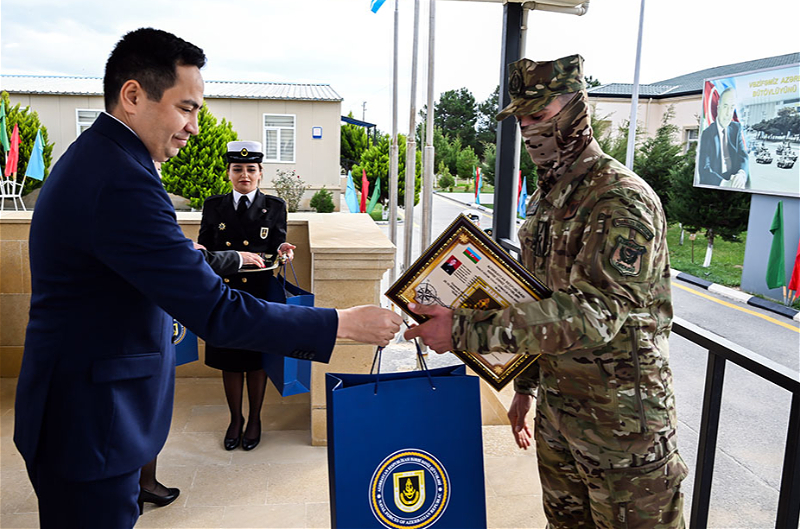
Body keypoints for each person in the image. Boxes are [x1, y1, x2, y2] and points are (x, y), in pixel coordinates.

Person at [14, 27, 401, 529]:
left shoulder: (108, 158)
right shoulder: (119, 178)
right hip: (90, 423)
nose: (195, 126)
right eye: (186, 107)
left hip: (86, 412)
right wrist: (341, 323)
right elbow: (217, 312)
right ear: (133, 95)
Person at [405, 55, 688, 528]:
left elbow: (593, 314)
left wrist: (466, 331)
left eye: (538, 116)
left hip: (622, 428)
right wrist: (527, 386)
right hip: (560, 415)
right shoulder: (547, 198)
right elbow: (537, 299)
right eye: (521, 119)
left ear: (577, 109)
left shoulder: (619, 197)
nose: (529, 130)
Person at [138, 245, 260, 513]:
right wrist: (236, 257)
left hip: (118, 339)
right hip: (134, 341)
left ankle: (142, 483)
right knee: (144, 414)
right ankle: (141, 485)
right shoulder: (130, 203)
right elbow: (176, 258)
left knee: (142, 416)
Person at [199, 140, 295, 452]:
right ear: (228, 173)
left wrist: (283, 250)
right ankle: (235, 419)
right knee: (229, 358)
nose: (244, 174)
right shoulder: (214, 206)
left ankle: (254, 419)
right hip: (225, 291)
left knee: (256, 359)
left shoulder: (275, 206)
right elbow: (205, 248)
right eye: (237, 169)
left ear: (260, 173)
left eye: (250, 169)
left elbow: (277, 244)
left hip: (259, 292)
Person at [698, 86, 749, 188]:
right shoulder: (707, 133)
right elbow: (704, 168)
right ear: (718, 107)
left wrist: (741, 174)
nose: (728, 113)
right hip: (716, 183)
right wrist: (724, 184)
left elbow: (743, 155)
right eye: (725, 106)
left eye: (731, 107)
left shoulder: (736, 128)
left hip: (735, 180)